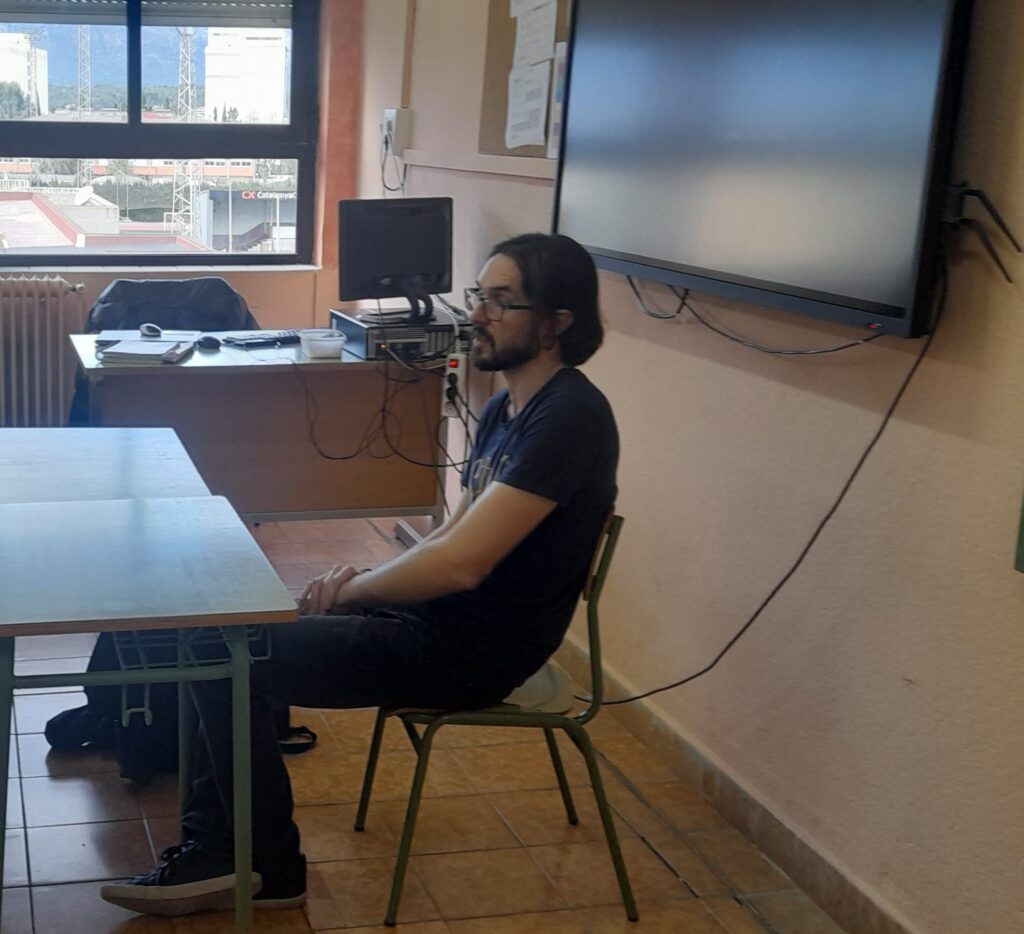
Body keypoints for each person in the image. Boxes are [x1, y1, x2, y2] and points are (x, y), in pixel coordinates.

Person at [100, 232, 619, 917]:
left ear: (555, 322)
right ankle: (222, 848)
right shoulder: (507, 407)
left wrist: (352, 592)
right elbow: (455, 533)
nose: (477, 315)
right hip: (434, 622)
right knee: (225, 630)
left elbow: (463, 565)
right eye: (479, 296)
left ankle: (260, 864)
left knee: (224, 653)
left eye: (501, 301)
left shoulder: (571, 418)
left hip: (473, 652)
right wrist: (370, 578)